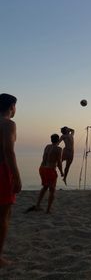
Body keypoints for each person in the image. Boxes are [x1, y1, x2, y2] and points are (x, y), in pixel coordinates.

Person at [0, 93, 22, 267]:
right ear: (11, 107)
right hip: (2, 171)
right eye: (15, 106)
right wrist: (17, 176)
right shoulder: (8, 123)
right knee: (3, 217)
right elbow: (9, 151)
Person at [35, 134, 63, 214]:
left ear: (51, 140)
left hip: (42, 168)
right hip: (50, 169)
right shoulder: (59, 149)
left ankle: (37, 205)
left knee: (44, 187)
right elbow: (59, 162)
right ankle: (48, 210)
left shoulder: (47, 146)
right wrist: (61, 172)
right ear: (58, 140)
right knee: (52, 190)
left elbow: (44, 158)